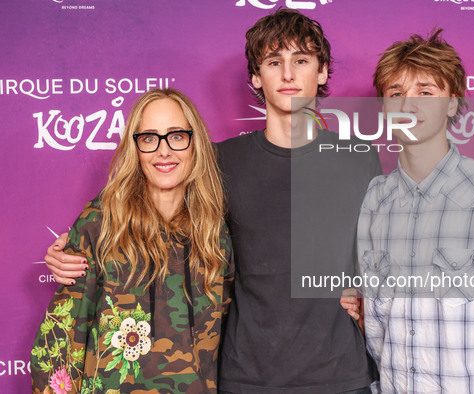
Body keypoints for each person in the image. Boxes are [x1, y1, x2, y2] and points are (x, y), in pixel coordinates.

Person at [44, 9, 380, 394]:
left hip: (339, 373)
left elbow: (381, 246)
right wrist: (73, 248)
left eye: (301, 60)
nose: (288, 75)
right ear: (256, 76)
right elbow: (147, 205)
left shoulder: (359, 156)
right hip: (246, 376)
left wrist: (362, 291)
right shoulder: (219, 161)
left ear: (321, 72)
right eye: (274, 62)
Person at [357, 30, 474, 393]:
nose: (408, 106)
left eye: (425, 93)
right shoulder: (375, 199)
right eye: (396, 94)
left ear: (452, 104)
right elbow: (374, 318)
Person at [31, 88, 233, 393]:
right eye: (149, 138)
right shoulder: (102, 222)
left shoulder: (215, 233)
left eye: (176, 136)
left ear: (195, 143)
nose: (164, 151)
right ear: (135, 148)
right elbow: (60, 336)